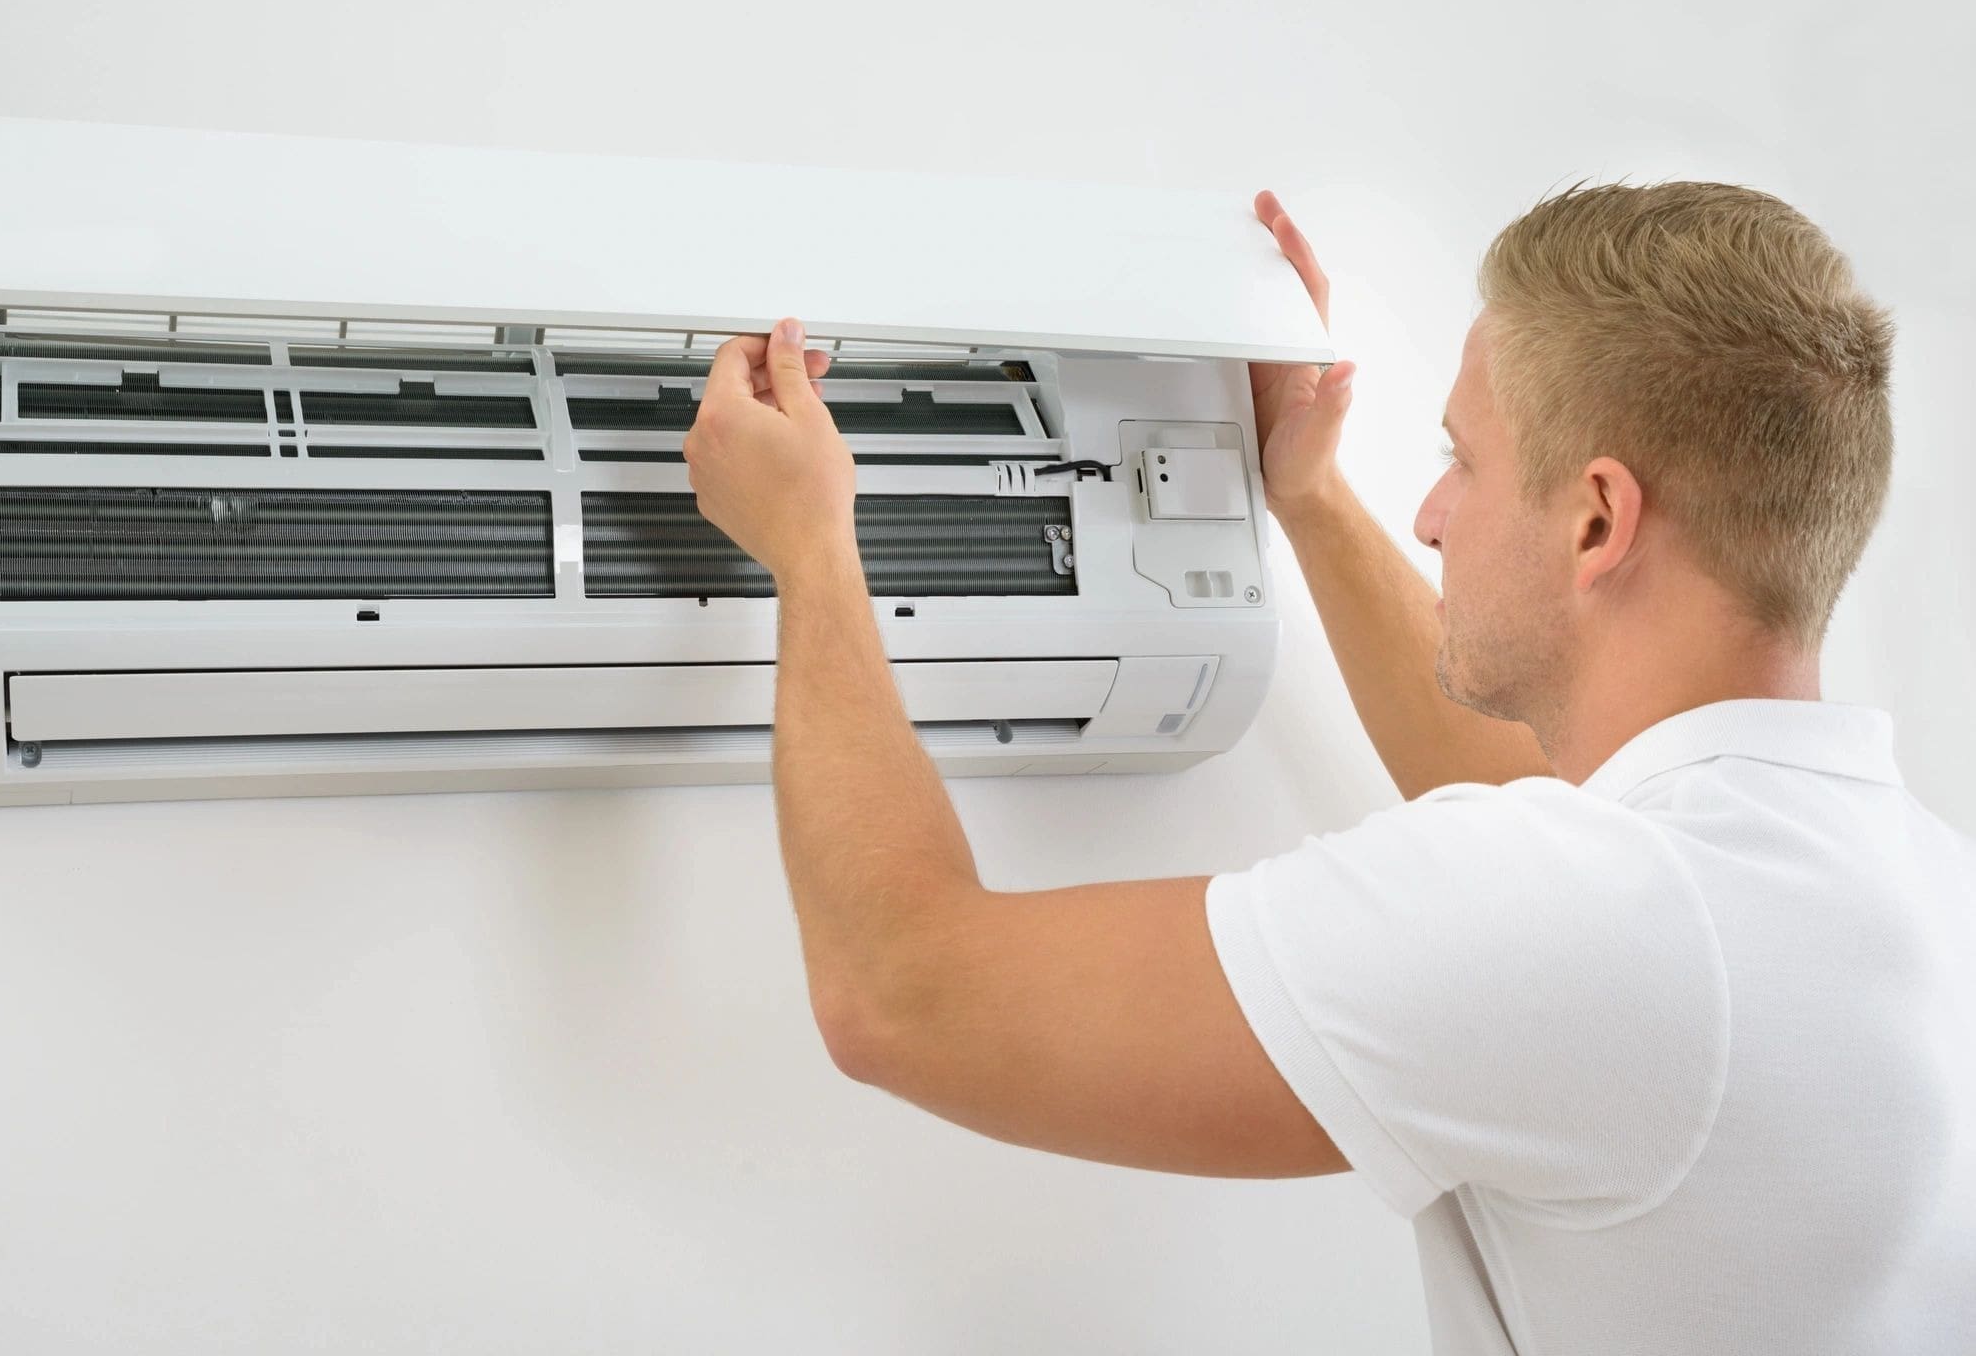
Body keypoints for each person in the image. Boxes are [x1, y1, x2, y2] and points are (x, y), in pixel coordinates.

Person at [679, 182, 1974, 1354]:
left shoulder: (1594, 917)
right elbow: (1570, 826)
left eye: (1463, 460)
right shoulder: (1910, 888)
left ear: (1595, 519)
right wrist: (1307, 495)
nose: (1431, 513)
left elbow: (903, 998)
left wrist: (808, 549)